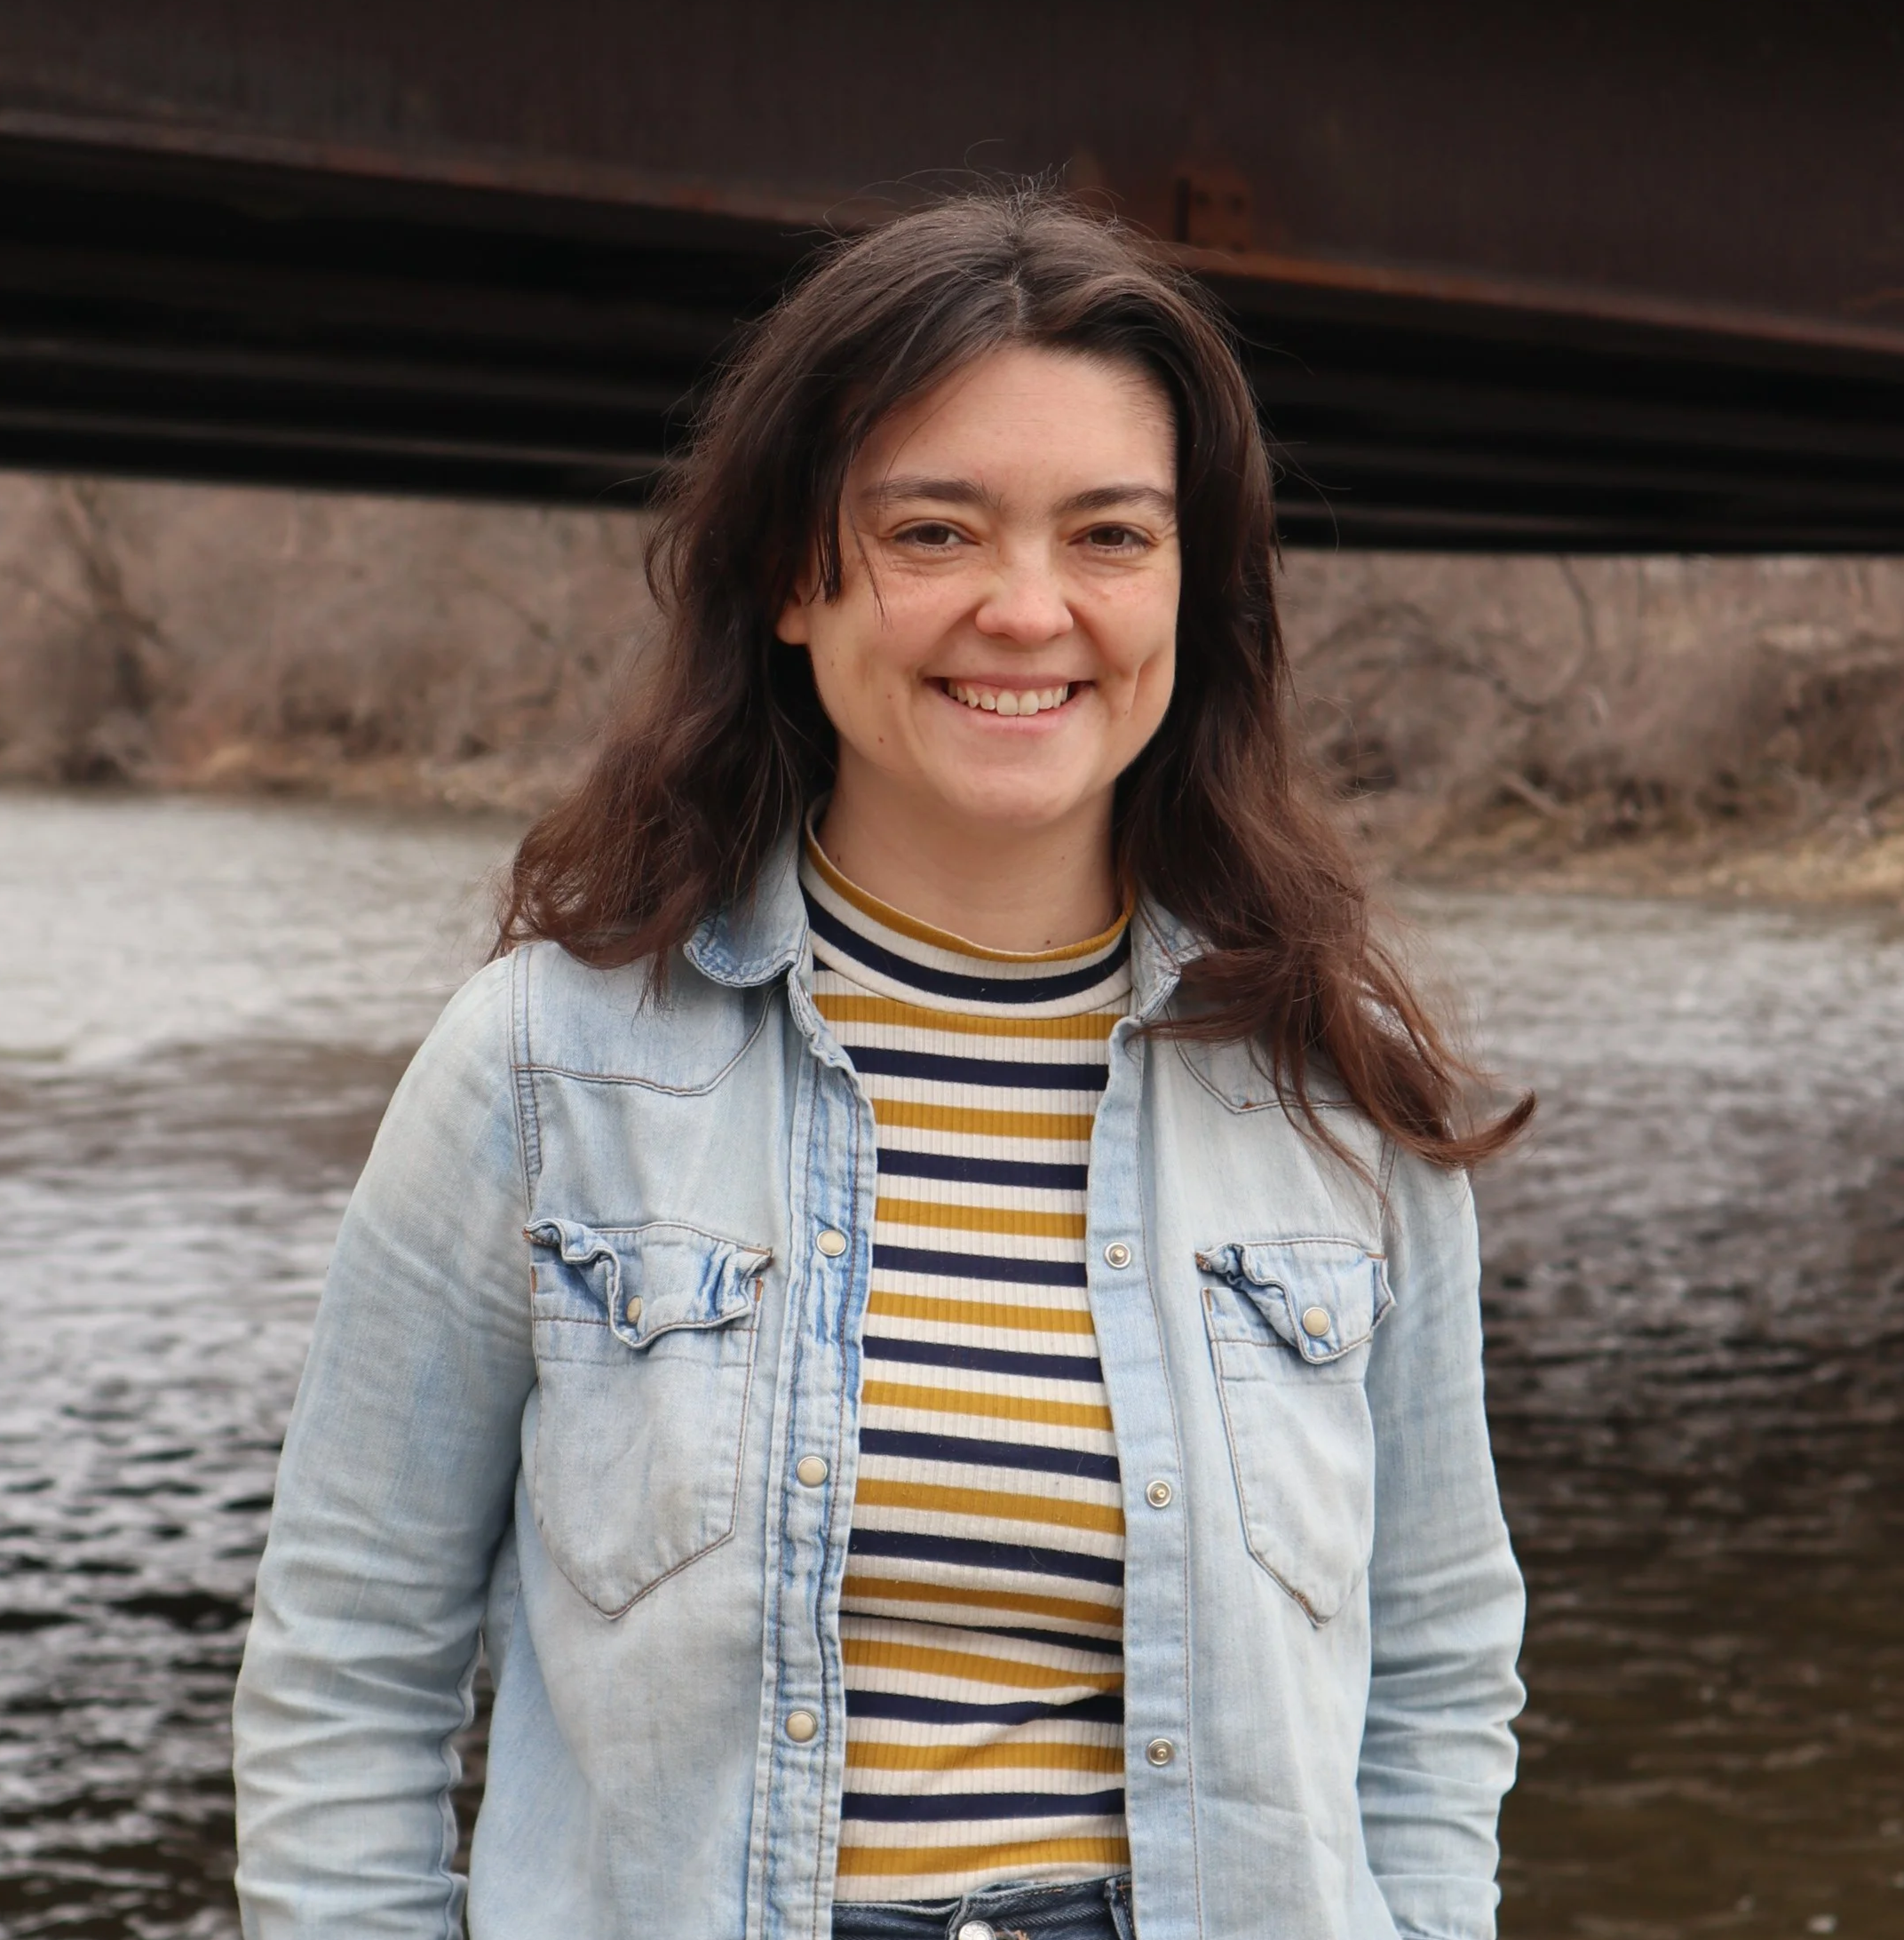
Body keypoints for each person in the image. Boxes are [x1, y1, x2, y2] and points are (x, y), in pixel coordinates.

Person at [233, 186, 1531, 1940]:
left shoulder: (1334, 1093)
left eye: (1111, 536)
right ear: (793, 575)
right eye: (934, 531)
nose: (1028, 609)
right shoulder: (545, 1071)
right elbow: (345, 1670)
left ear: (1192, 589)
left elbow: (1437, 1677)